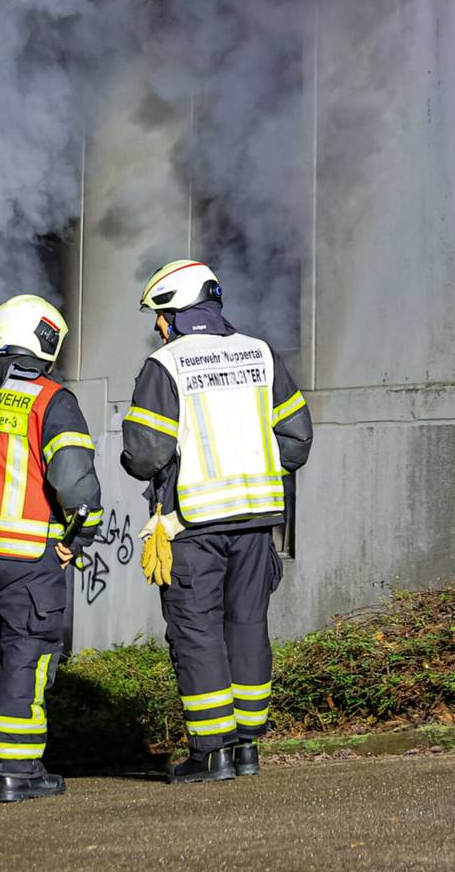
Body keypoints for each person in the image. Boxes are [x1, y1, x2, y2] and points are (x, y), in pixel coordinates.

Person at [121, 260, 312, 783]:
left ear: (176, 313)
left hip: (194, 526)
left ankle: (211, 753)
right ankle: (247, 746)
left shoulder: (166, 365)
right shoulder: (262, 354)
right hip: (255, 524)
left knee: (196, 631)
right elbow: (296, 439)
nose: (158, 326)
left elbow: (144, 453)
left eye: (160, 315)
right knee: (247, 625)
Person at [0, 293, 102, 804]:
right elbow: (76, 488)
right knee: (27, 655)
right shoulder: (52, 400)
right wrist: (78, 537)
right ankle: (17, 772)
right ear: (47, 340)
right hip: (31, 558)